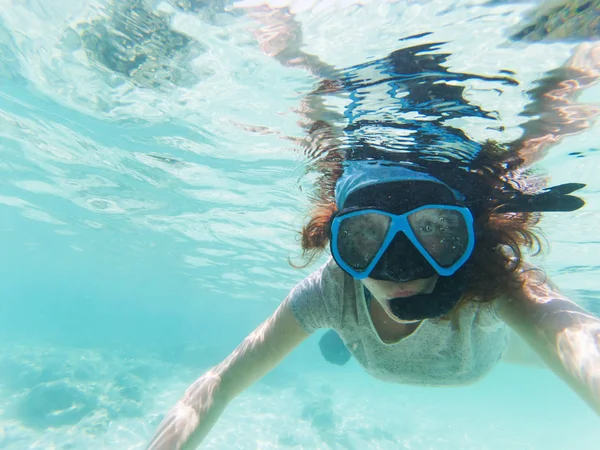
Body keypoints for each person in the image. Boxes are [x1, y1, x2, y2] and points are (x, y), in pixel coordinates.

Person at [146, 4, 600, 450]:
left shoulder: (491, 284)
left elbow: (578, 340)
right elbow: (219, 384)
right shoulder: (333, 294)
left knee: (530, 350)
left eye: (434, 232)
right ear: (337, 241)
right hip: (408, 349)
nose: (398, 268)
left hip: (493, 350)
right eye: (365, 237)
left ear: (468, 238)